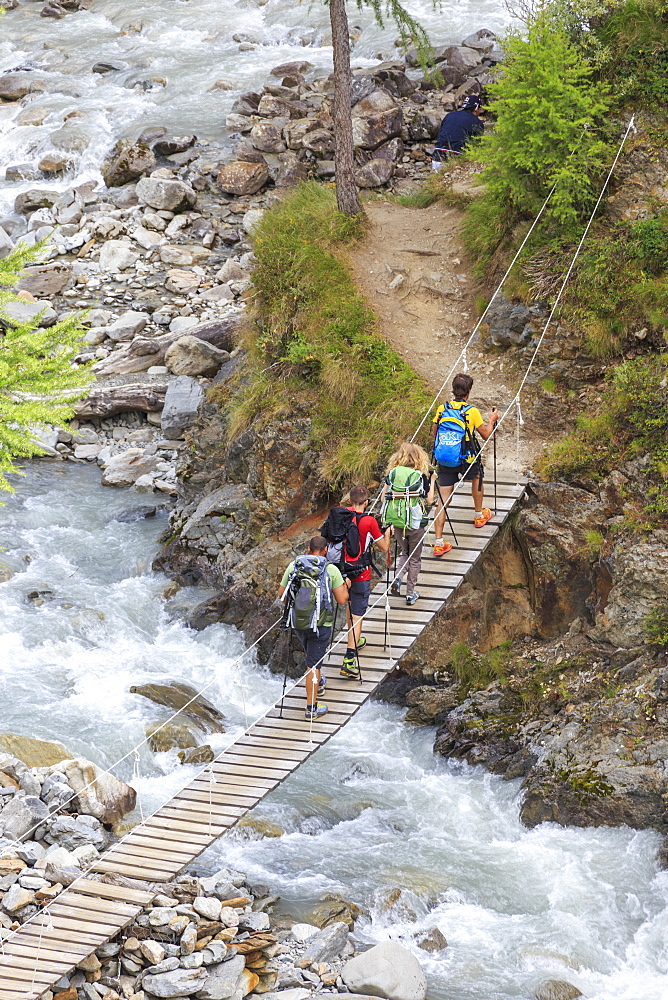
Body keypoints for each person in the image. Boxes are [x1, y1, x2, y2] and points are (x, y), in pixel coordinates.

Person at [278, 536, 348, 720]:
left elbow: (282, 595)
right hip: (321, 624)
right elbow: (342, 600)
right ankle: (312, 708)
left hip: (299, 622)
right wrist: (345, 586)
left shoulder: (294, 566)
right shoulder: (331, 569)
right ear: (325, 550)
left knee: (312, 657)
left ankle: (320, 682)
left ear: (309, 549)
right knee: (313, 665)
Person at [431, 373, 499, 556]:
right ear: (468, 392)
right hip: (466, 458)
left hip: (445, 458)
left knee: (444, 499)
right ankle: (479, 515)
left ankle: (438, 542)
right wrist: (492, 420)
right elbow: (486, 435)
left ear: (453, 389)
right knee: (477, 477)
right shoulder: (472, 411)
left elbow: (435, 432)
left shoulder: (441, 409)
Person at [339, 485, 392, 679]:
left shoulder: (340, 516)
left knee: (350, 607)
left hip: (342, 572)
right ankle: (349, 659)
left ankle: (355, 640)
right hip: (360, 573)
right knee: (358, 614)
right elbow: (384, 547)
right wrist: (387, 533)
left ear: (349, 501)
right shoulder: (369, 521)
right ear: (367, 502)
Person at [380, 442, 436, 606]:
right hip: (415, 524)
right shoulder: (420, 476)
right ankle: (410, 594)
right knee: (415, 558)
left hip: (397, 522)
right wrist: (432, 481)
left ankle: (397, 578)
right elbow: (430, 500)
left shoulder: (392, 474)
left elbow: (384, 498)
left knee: (405, 552)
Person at [432, 95, 485, 171]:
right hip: (456, 160)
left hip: (437, 157)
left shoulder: (449, 116)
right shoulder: (477, 122)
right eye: (480, 109)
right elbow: (476, 146)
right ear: (476, 109)